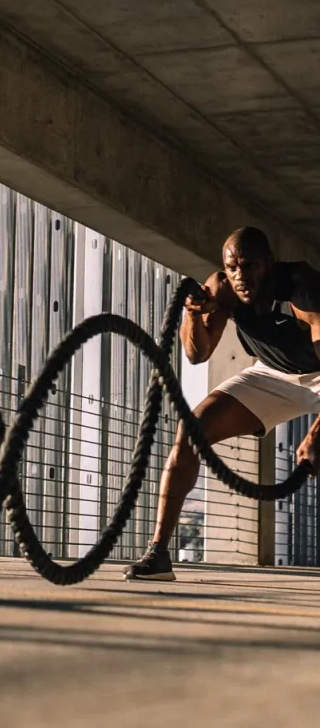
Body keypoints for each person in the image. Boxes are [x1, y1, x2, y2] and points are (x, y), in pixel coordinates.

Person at [124, 225, 320, 581]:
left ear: (270, 264)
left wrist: (316, 433)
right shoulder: (225, 289)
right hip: (274, 374)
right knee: (192, 430)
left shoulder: (303, 290)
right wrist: (195, 314)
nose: (241, 276)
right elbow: (196, 354)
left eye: (250, 266)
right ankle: (158, 554)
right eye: (233, 267)